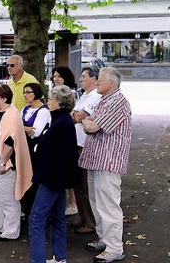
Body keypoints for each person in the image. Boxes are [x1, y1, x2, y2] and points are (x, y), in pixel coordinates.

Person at [79, 68, 132, 263]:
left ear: (112, 83)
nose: (97, 83)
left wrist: (86, 121)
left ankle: (115, 248)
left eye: (100, 80)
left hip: (108, 162)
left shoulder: (117, 102)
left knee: (108, 205)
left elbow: (91, 126)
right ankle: (105, 240)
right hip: (97, 159)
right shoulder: (105, 100)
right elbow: (90, 125)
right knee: (97, 202)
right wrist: (88, 123)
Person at [29, 85, 80, 263]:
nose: (48, 102)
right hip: (57, 179)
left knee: (36, 220)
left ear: (59, 102)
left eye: (51, 99)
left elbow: (57, 155)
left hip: (52, 179)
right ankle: (60, 258)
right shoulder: (62, 121)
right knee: (57, 219)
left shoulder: (61, 124)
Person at [0, 84, 32, 241]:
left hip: (3, 165)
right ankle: (0, 224)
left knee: (7, 199)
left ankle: (11, 231)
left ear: (4, 99)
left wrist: (3, 162)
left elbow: (10, 140)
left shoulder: (11, 114)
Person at [71, 67, 102, 234]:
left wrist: (76, 115)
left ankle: (90, 222)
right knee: (78, 183)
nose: (80, 79)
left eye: (83, 76)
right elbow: (75, 113)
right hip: (77, 143)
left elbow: (77, 116)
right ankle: (82, 215)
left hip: (85, 145)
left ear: (94, 79)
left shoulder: (95, 96)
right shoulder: (84, 95)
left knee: (85, 185)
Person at [51, 65, 80, 215]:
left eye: (59, 76)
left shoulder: (71, 93)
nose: (56, 78)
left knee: (69, 168)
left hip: (69, 134)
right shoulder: (54, 92)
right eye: (54, 76)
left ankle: (73, 203)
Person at [20, 83, 51, 219]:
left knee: (33, 181)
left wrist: (22, 128)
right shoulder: (25, 109)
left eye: (29, 92)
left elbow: (35, 132)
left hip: (35, 151)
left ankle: (35, 213)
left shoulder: (43, 111)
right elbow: (15, 125)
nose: (25, 95)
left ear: (37, 93)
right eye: (24, 92)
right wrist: (25, 128)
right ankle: (26, 210)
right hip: (23, 148)